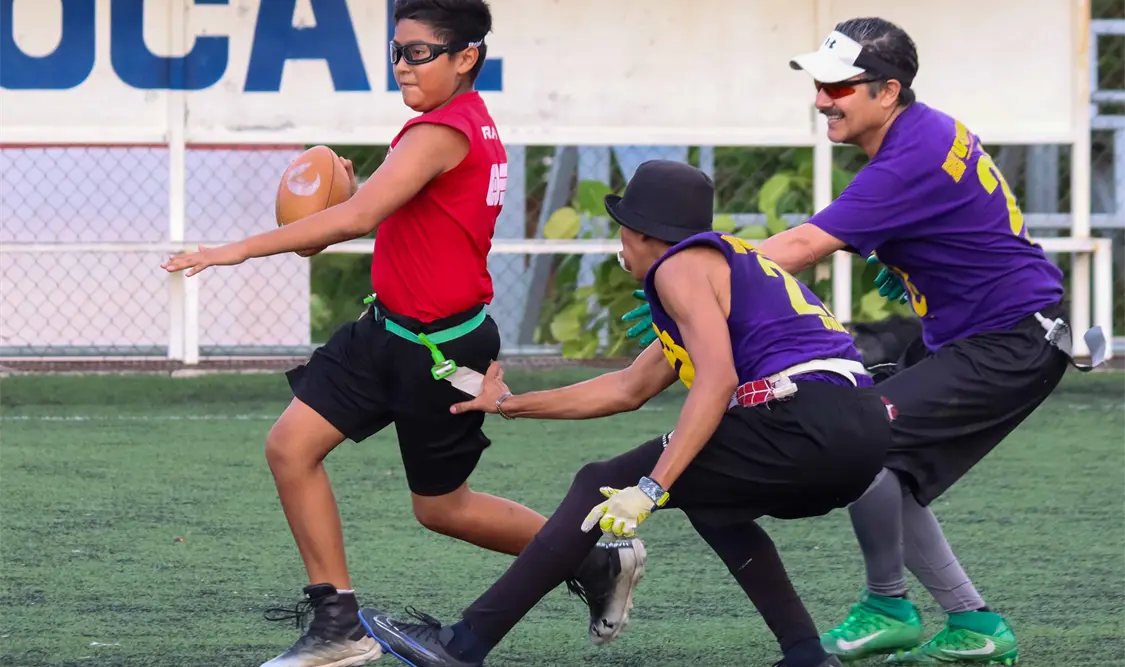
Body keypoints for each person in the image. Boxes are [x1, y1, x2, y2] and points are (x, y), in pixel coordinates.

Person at [160, 2, 641, 665]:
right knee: (290, 447)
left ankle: (595, 560)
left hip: (439, 352)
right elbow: (383, 215)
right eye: (397, 51)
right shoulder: (447, 124)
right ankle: (337, 624)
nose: (403, 66)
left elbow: (358, 219)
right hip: (382, 331)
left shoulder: (443, 131)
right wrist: (353, 198)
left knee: (442, 509)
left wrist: (233, 250)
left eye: (419, 53)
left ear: (465, 57)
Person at [626, 16, 1101, 665]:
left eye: (838, 87)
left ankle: (895, 608)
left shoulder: (910, 154)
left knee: (861, 441)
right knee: (873, 456)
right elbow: (955, 220)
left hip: (1005, 342)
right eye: (819, 85)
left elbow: (801, 246)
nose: (822, 99)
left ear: (888, 91)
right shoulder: (924, 131)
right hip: (988, 334)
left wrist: (691, 276)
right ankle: (959, 621)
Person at [354, 158, 897, 667]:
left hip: (800, 416)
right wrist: (508, 404)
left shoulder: (677, 267)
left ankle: (463, 644)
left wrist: (653, 487)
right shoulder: (724, 266)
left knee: (598, 482)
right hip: (861, 430)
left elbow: (717, 380)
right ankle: (806, 653)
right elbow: (628, 387)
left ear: (638, 233)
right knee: (713, 501)